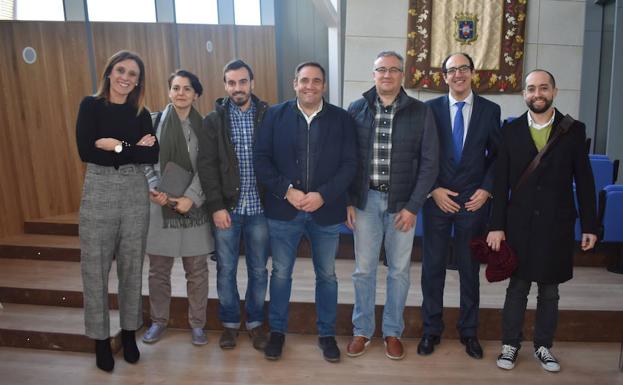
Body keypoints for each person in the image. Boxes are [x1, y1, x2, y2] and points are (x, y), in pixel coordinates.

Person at [487, 69, 598, 372]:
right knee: (517, 287)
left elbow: (585, 182)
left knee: (550, 291)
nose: (538, 94)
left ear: (554, 92)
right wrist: (495, 225)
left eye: (543, 88)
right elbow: (499, 184)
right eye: (532, 89)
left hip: (556, 225)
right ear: (524, 94)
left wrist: (590, 225)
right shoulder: (509, 131)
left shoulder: (573, 130)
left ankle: (543, 346)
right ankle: (510, 344)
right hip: (518, 225)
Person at [254, 62, 357, 362]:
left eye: (316, 81)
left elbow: (350, 164)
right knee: (282, 273)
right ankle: (278, 333)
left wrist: (324, 195)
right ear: (294, 83)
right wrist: (287, 190)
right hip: (284, 209)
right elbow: (261, 159)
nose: (309, 86)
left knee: (327, 275)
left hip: (325, 211)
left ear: (324, 85)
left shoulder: (341, 119)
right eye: (304, 80)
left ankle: (327, 334)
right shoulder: (274, 115)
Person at [346, 51, 439, 360]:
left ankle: (392, 331)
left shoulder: (420, 112)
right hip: (366, 201)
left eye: (393, 70)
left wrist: (413, 206)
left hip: (403, 204)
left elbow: (429, 163)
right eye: (381, 70)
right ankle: (362, 330)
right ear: (373, 74)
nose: (386, 75)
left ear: (403, 75)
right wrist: (349, 200)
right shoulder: (357, 109)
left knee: (399, 271)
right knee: (363, 270)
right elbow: (348, 161)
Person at [75, 50, 158, 372]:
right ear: (109, 72)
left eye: (133, 74)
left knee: (131, 267)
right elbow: (86, 150)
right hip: (99, 189)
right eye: (121, 70)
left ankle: (128, 334)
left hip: (135, 192)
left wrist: (116, 146)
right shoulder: (90, 105)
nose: (126, 77)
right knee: (94, 269)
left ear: (138, 81)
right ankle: (99, 339)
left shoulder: (141, 112)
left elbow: (151, 155)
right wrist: (134, 148)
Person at [419, 53, 501, 359]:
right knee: (433, 268)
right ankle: (431, 330)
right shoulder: (429, 110)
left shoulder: (490, 110)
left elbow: (496, 156)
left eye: (463, 69)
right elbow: (421, 154)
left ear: (472, 73)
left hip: (472, 201)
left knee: (469, 269)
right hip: (438, 199)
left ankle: (469, 332)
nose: (458, 75)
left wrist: (487, 189)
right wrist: (433, 190)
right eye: (452, 70)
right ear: (444, 77)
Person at [196, 60, 270, 351]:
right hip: (227, 208)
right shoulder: (213, 120)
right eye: (231, 82)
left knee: (259, 270)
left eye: (242, 82)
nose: (237, 88)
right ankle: (229, 325)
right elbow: (207, 166)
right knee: (225, 269)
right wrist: (215, 206)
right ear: (225, 85)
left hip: (261, 209)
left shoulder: (268, 115)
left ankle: (254, 323)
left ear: (252, 83)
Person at [141, 70, 214, 346]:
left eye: (187, 88)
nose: (180, 93)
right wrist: (153, 188)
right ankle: (159, 321)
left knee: (197, 271)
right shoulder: (152, 122)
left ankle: (197, 324)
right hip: (159, 207)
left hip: (194, 208)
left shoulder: (207, 126)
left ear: (196, 94)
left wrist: (191, 197)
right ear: (169, 91)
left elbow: (209, 166)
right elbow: (143, 160)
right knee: (158, 271)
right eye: (175, 87)